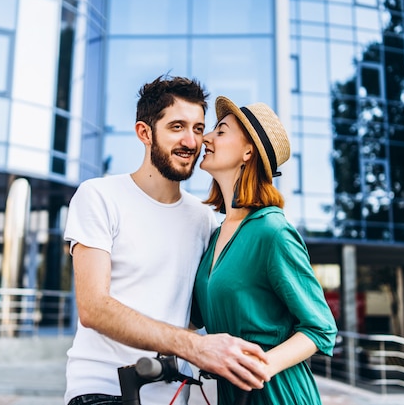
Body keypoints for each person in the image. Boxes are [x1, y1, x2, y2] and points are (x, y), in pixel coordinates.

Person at [63, 77, 269, 405]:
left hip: (173, 393)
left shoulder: (203, 219)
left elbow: (196, 311)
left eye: (199, 128)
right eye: (177, 126)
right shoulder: (99, 196)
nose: (191, 140)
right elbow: (93, 308)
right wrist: (195, 347)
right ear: (145, 133)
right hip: (104, 388)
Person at [192, 96, 338, 405]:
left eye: (220, 131)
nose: (205, 138)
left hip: (278, 395)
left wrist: (256, 368)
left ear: (248, 152)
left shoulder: (272, 231)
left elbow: (320, 328)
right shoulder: (215, 235)